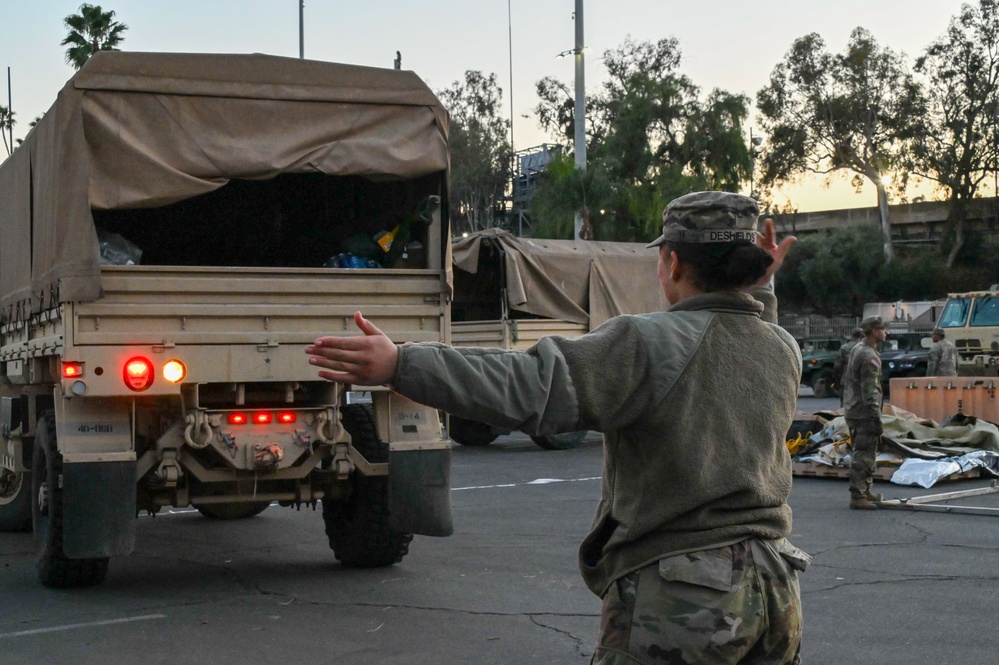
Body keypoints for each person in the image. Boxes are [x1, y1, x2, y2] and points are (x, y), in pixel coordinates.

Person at [307, 191, 809, 665]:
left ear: (672, 263)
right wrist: (761, 289)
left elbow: (525, 386)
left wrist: (401, 364)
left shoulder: (649, 343)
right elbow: (743, 330)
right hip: (776, 590)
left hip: (688, 596)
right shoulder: (781, 348)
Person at [842, 316, 887, 510]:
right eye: (883, 329)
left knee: (863, 452)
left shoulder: (857, 348)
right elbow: (870, 390)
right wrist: (875, 416)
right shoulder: (869, 356)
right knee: (864, 455)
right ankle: (858, 495)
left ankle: (865, 489)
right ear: (875, 331)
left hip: (854, 409)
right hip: (864, 412)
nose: (886, 333)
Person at [832, 327, 864, 404]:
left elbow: (837, 366)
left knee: (845, 405)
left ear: (852, 336)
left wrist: (836, 380)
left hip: (846, 379)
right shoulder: (865, 348)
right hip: (862, 380)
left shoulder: (844, 348)